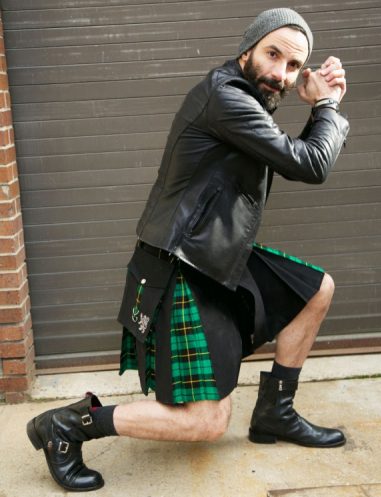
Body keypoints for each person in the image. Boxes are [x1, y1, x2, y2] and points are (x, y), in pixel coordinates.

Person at [27, 8, 349, 492]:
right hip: (182, 264)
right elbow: (309, 163)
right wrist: (326, 108)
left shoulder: (244, 99)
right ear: (248, 49)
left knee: (315, 290)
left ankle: (275, 412)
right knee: (207, 422)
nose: (279, 72)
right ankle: (68, 425)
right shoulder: (226, 98)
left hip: (218, 255)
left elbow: (291, 157)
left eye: (290, 65)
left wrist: (314, 108)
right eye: (272, 54)